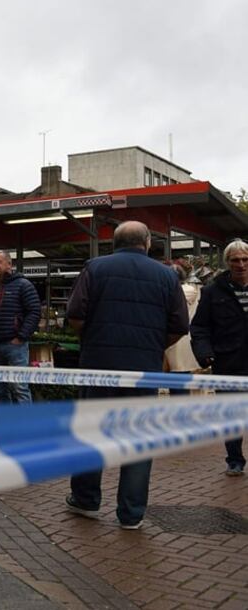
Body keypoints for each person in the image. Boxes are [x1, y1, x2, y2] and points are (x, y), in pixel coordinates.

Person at [65, 221, 188, 529]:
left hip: (98, 366)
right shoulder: (166, 275)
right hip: (144, 368)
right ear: (147, 243)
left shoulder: (95, 268)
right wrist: (153, 346)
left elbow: (75, 314)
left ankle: (86, 499)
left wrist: (93, 339)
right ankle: (131, 513)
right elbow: (179, 325)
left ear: (114, 242)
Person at [190, 238, 248, 476]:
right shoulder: (212, 291)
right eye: (235, 260)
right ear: (227, 262)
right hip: (228, 363)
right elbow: (199, 327)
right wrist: (205, 354)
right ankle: (234, 460)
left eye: (245, 259)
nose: (241, 265)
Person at [0, 250, 41, 403]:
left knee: (20, 387)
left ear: (9, 264)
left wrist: (21, 336)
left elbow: (34, 311)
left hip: (15, 345)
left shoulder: (23, 285)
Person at [165, 263, 201, 395]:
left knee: (178, 377)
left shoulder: (184, 290)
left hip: (177, 340)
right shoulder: (190, 290)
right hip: (179, 341)